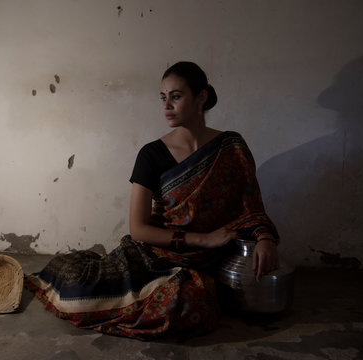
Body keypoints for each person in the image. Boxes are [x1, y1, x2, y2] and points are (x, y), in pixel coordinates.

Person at [25, 61, 279, 341]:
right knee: (77, 292)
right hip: (155, 256)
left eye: (176, 96)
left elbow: (251, 208)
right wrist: (203, 239)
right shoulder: (152, 154)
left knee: (190, 303)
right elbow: (139, 229)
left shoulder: (231, 147)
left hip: (211, 260)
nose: (166, 105)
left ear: (201, 97)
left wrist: (265, 238)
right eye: (163, 97)